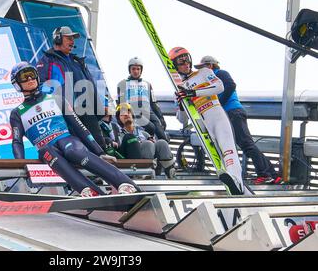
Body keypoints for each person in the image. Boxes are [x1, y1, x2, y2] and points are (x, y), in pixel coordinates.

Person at [9, 62, 140, 197]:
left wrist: (99, 151)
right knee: (45, 152)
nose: (29, 79)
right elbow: (17, 141)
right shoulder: (17, 113)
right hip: (48, 149)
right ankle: (89, 191)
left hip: (66, 140)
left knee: (72, 151)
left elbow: (79, 127)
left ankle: (124, 183)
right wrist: (21, 164)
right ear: (17, 83)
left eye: (31, 74)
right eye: (24, 77)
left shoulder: (57, 99)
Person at [168, 47, 251, 195]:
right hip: (203, 125)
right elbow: (182, 120)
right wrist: (182, 105)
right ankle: (235, 185)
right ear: (175, 66)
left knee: (228, 149)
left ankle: (237, 183)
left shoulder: (204, 72)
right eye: (181, 61)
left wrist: (193, 93)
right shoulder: (179, 89)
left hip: (217, 114)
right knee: (219, 155)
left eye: (187, 59)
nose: (186, 63)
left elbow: (220, 87)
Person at [194, 56, 282, 184]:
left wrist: (219, 104)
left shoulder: (220, 74)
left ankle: (265, 174)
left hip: (232, 112)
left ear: (211, 66)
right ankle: (272, 174)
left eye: (202, 67)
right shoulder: (210, 80)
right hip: (230, 113)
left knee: (246, 144)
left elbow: (230, 85)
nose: (201, 71)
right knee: (246, 144)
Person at [36, 26, 106, 150]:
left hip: (87, 112)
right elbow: (40, 85)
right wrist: (55, 100)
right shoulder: (47, 60)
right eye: (69, 38)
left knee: (100, 147)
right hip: (65, 115)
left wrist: (99, 106)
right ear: (58, 39)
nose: (72, 41)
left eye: (73, 38)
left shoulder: (78, 61)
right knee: (76, 150)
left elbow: (90, 85)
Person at [115, 103, 175, 178]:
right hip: (130, 162)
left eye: (128, 112)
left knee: (162, 142)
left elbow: (155, 147)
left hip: (152, 160)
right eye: (122, 114)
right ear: (119, 119)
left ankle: (170, 172)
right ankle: (144, 172)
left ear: (132, 115)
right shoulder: (117, 133)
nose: (126, 115)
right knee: (147, 144)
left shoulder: (143, 133)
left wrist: (153, 142)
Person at [117, 57, 168, 142]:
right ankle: (149, 145)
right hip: (134, 112)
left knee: (161, 131)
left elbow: (153, 103)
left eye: (138, 69)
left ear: (141, 70)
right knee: (151, 127)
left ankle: (164, 150)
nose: (136, 71)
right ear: (129, 70)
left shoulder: (147, 84)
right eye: (133, 69)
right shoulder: (122, 84)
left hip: (147, 112)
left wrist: (161, 118)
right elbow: (121, 103)